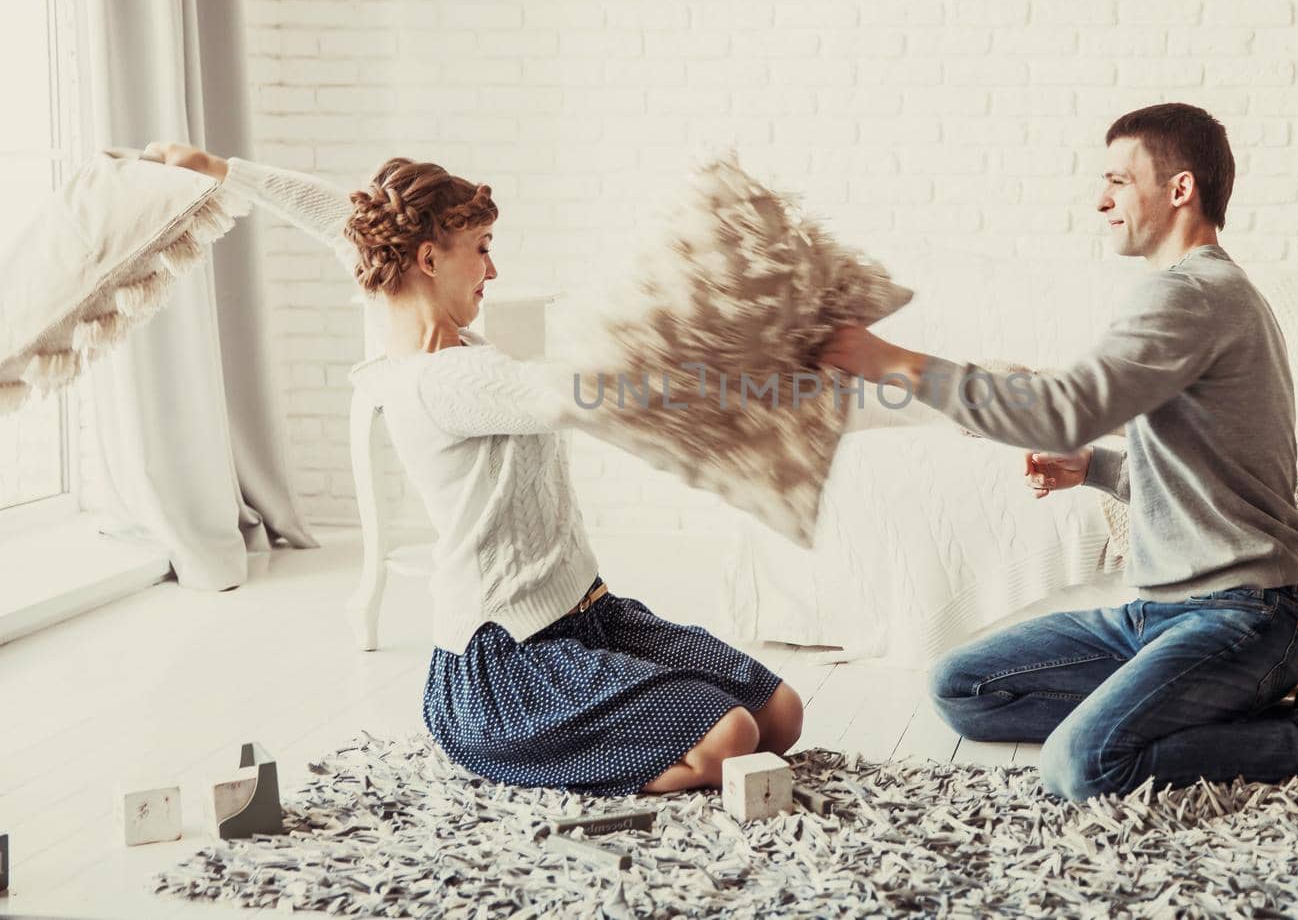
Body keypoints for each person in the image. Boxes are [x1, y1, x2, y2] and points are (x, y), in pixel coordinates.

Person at [143, 142, 804, 796]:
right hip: (506, 668)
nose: (493, 270)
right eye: (482, 247)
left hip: (591, 616)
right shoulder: (448, 381)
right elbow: (579, 393)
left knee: (780, 713)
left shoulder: (403, 308)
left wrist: (221, 172)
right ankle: (540, 762)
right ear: (429, 259)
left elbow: (333, 216)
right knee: (732, 736)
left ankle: (628, 735)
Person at [821, 103, 1298, 802]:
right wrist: (1096, 467)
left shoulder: (1191, 296)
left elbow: (1060, 411)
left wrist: (889, 359)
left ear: (1180, 189)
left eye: (1118, 178)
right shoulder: (1211, 294)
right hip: (1157, 613)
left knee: (1082, 766)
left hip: (1244, 619)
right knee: (961, 687)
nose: (1100, 198)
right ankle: (1199, 711)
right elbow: (1218, 475)